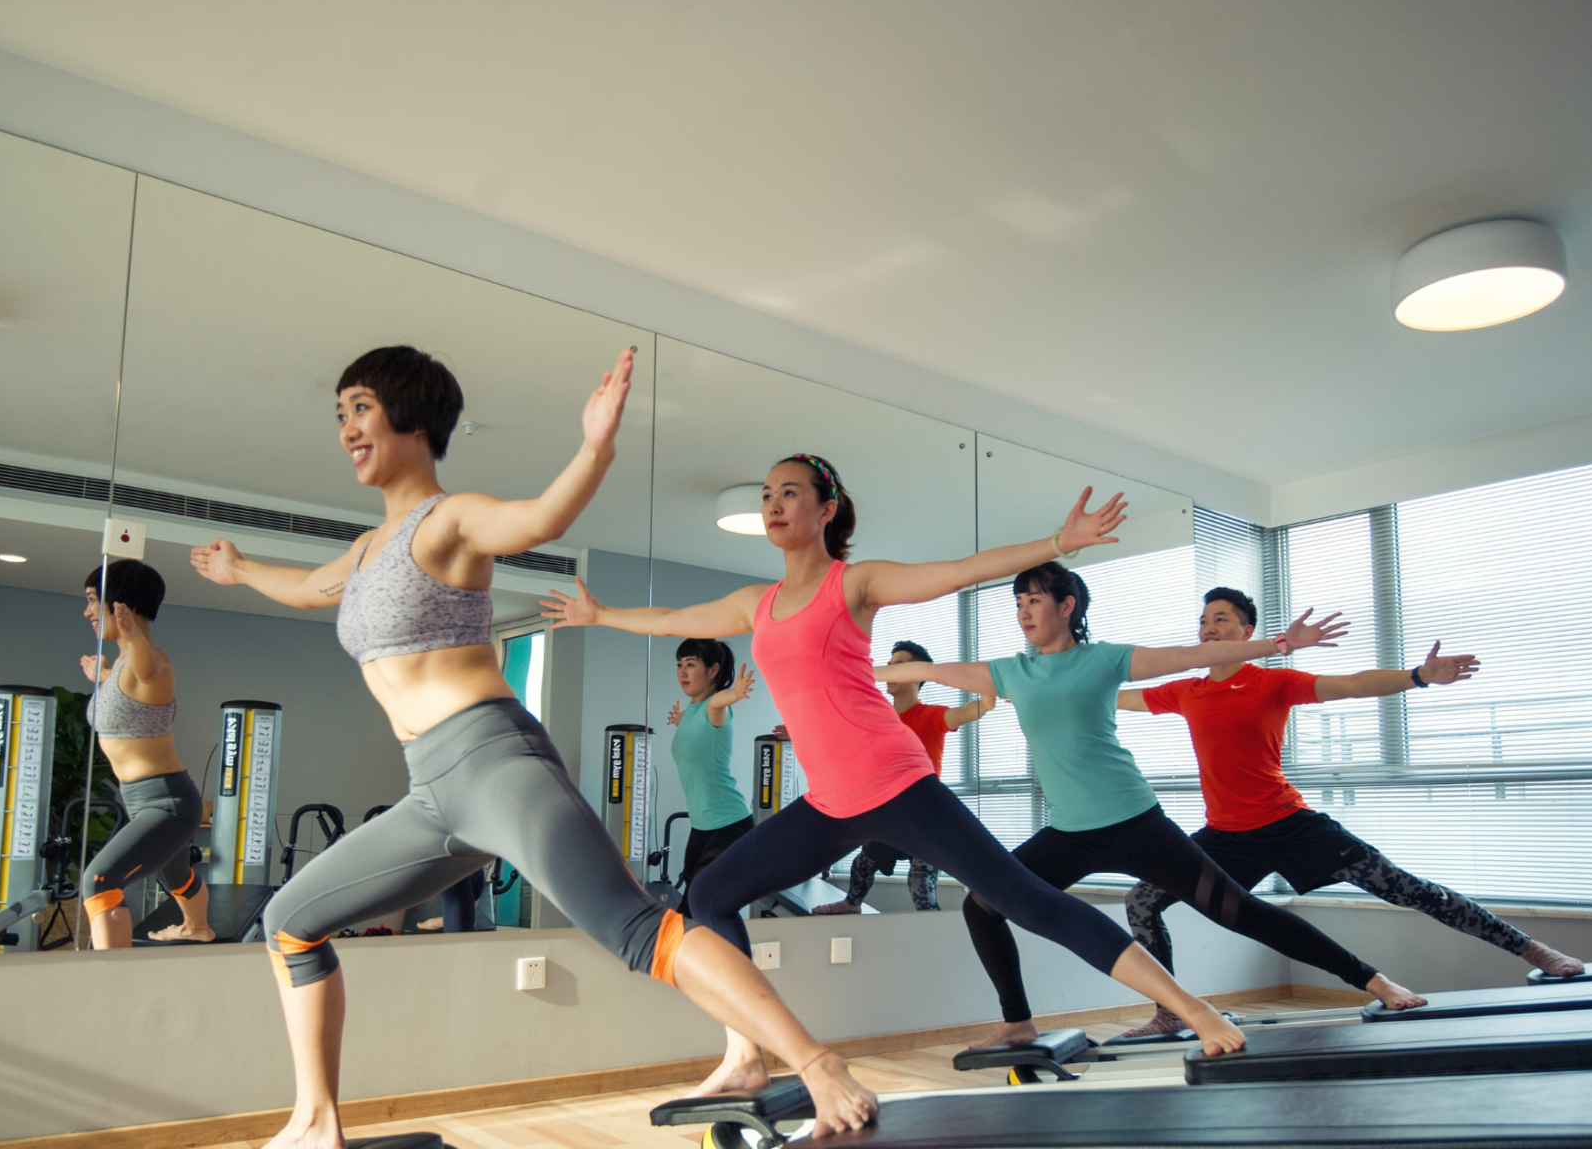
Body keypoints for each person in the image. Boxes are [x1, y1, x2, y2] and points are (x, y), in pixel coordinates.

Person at [192, 346, 876, 1146]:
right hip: (428, 792)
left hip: (492, 762)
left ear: (412, 417)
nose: (346, 428)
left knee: (636, 930)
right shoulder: (364, 553)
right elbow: (308, 589)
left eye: (361, 408)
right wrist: (241, 570)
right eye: (340, 413)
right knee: (290, 920)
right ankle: (315, 1122)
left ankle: (813, 1061)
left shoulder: (449, 519)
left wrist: (595, 448)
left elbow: (539, 520)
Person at [544, 454, 1248, 1098]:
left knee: (1024, 899)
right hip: (827, 802)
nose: (773, 505)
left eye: (790, 493)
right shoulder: (754, 604)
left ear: (826, 509)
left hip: (896, 782)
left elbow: (963, 569)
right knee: (709, 893)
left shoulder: (855, 583)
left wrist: (1058, 544)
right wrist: (600, 613)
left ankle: (1192, 1007)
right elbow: (670, 619)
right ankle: (745, 1052)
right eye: (766, 495)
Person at [876, 562, 1430, 1051]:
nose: (1023, 612)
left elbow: (1191, 654)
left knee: (1237, 911)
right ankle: (1018, 1022)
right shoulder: (1008, 672)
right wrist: (839, 671)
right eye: (1018, 603)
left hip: (1134, 822)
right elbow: (913, 672)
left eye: (1035, 601)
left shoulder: (1104, 661)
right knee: (982, 904)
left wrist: (1279, 645)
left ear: (1066, 606)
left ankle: (1372, 980)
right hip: (1069, 833)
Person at [1110, 586, 1586, 1037]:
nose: (1209, 627)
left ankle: (1530, 948)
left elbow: (1352, 685)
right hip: (1226, 837)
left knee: (1408, 890)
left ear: (1247, 632)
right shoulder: (1185, 691)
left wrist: (1418, 677)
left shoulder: (1271, 682)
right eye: (1203, 621)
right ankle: (1170, 1012)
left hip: (1291, 825)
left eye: (1221, 619)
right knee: (1143, 901)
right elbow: (1115, 699)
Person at [77, 558, 213, 948]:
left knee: (99, 880)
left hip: (167, 803)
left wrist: (134, 637)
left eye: (92, 600)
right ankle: (197, 927)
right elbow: (131, 694)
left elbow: (149, 672)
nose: (87, 611)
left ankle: (114, 979)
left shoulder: (151, 660)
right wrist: (102, 677)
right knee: (176, 874)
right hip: (144, 800)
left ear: (120, 604)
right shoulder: (123, 666)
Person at [816, 640, 996, 914]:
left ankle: (934, 933)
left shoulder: (931, 716)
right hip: (891, 817)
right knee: (863, 864)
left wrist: (985, 701)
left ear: (918, 675)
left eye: (897, 666)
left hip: (927, 819)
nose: (889, 671)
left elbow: (963, 713)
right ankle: (852, 905)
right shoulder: (878, 718)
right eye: (888, 666)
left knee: (919, 883)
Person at [665, 638, 757, 919]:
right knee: (692, 904)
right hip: (702, 827)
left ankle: (673, 957)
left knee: (701, 902)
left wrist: (736, 692)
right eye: (679, 665)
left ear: (713, 670)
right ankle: (678, 960)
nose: (682, 672)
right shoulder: (692, 711)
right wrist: (679, 718)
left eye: (691, 665)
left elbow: (720, 700)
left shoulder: (715, 707)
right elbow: (694, 728)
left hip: (729, 825)